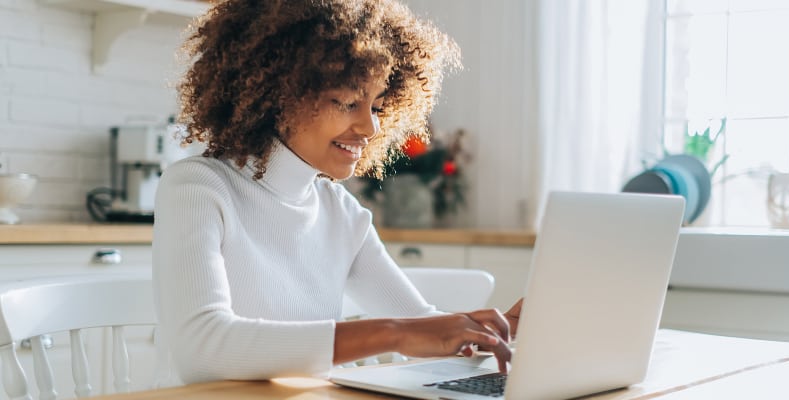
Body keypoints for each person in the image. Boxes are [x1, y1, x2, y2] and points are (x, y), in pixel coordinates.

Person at [152, 0, 523, 384]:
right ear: (279, 95)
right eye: (348, 102)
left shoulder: (340, 211)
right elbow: (202, 348)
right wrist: (393, 333)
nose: (370, 127)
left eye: (377, 106)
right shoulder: (198, 187)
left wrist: (493, 332)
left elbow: (420, 324)